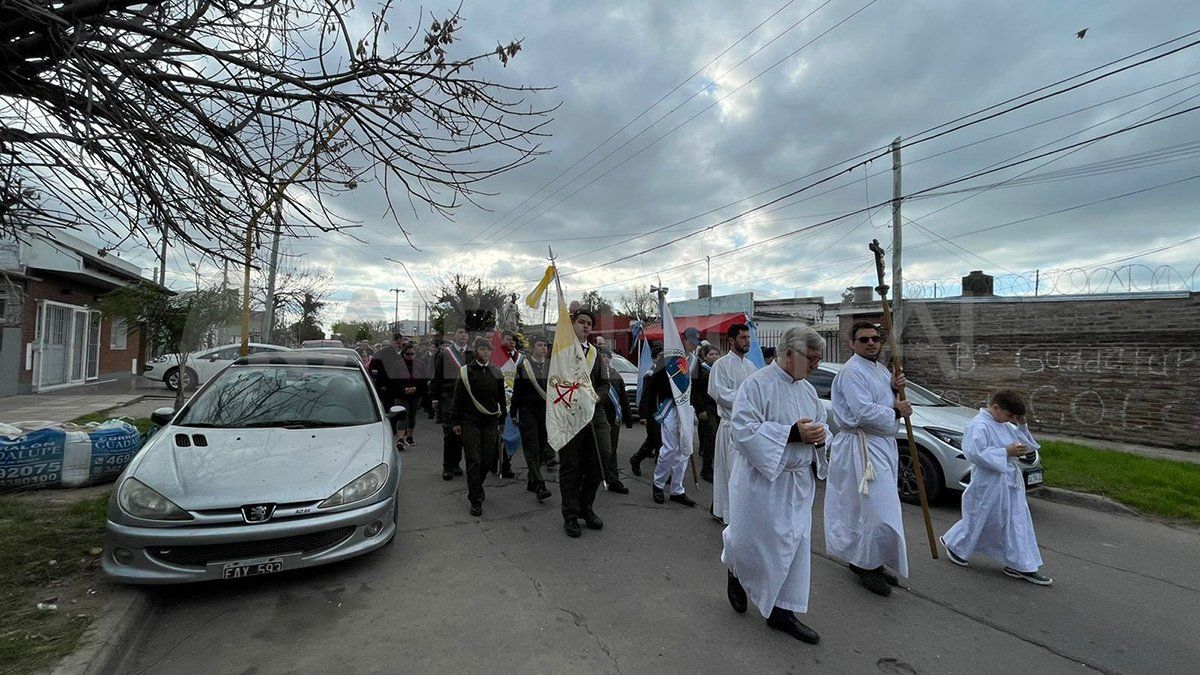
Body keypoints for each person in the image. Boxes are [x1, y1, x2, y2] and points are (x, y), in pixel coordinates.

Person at [723, 326, 828, 645]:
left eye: (819, 358)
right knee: (754, 542)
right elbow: (742, 432)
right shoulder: (756, 385)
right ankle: (737, 570)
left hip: (797, 483)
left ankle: (782, 611)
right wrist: (791, 434)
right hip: (762, 481)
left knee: (793, 547)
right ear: (789, 354)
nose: (816, 365)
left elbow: (821, 425)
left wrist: (821, 438)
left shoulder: (808, 391)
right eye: (811, 358)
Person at [824, 321, 912, 597]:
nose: (871, 343)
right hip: (861, 447)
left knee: (873, 509)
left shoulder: (881, 369)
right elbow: (862, 412)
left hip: (880, 445)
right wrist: (896, 411)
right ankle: (866, 565)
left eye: (875, 338)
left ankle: (869, 560)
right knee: (873, 509)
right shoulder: (852, 372)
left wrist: (895, 388)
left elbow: (883, 401)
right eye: (864, 339)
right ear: (852, 344)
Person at [941, 390, 1053, 585]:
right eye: (1009, 415)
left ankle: (1021, 564)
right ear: (996, 407)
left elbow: (1024, 445)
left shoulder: (1004, 424)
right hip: (989, 482)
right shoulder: (979, 425)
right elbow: (974, 453)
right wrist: (1005, 452)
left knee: (1017, 521)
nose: (1009, 420)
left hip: (1010, 482)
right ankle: (955, 544)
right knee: (984, 518)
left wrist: (1021, 425)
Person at [559, 308, 609, 538]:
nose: (586, 326)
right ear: (573, 324)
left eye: (589, 323)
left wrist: (597, 397)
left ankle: (585, 506)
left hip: (594, 412)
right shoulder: (562, 351)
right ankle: (570, 514)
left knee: (602, 457)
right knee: (571, 465)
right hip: (570, 414)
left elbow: (605, 383)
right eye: (581, 322)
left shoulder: (595, 354)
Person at [641, 330, 700, 507]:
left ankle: (677, 489)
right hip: (669, 407)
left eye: (696, 342)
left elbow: (696, 387)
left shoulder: (694, 361)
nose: (694, 345)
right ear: (682, 339)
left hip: (686, 409)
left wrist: (698, 408)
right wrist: (646, 411)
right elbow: (652, 385)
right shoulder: (667, 359)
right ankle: (658, 484)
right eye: (691, 341)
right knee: (669, 449)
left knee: (684, 450)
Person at [451, 336, 507, 517]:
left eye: (488, 349)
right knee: (474, 459)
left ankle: (477, 485)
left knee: (488, 460)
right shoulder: (466, 371)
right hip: (470, 421)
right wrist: (455, 421)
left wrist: (503, 420)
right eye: (483, 349)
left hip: (490, 420)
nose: (486, 352)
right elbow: (458, 397)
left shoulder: (496, 371)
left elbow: (501, 398)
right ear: (476, 352)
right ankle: (475, 498)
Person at [709, 323, 757, 524]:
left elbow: (758, 393)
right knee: (728, 471)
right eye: (743, 338)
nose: (747, 341)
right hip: (730, 426)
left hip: (749, 428)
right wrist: (746, 398)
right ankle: (726, 513)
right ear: (731, 341)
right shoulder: (721, 365)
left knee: (744, 474)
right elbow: (719, 393)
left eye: (748, 337)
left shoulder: (751, 366)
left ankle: (742, 513)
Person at [511, 334, 553, 502]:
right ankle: (540, 485)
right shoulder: (524, 367)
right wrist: (513, 413)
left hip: (545, 412)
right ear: (532, 348)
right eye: (540, 345)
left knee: (542, 448)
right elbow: (517, 391)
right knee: (532, 448)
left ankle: (531, 479)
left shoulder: (551, 366)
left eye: (545, 346)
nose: (544, 348)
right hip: (527, 411)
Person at [367, 335, 425, 447]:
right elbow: (394, 379)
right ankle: (400, 439)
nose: (410, 356)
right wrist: (403, 389)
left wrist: (416, 388)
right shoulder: (396, 363)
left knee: (412, 415)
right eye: (408, 354)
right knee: (401, 414)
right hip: (400, 393)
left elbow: (423, 379)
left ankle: (409, 436)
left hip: (415, 394)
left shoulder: (420, 364)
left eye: (413, 354)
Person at [431, 327, 470, 481]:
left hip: (467, 398)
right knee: (449, 431)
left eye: (465, 333)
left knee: (461, 432)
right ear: (454, 335)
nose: (463, 335)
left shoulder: (471, 354)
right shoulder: (445, 354)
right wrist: (434, 397)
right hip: (448, 396)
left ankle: (456, 464)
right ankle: (447, 466)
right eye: (460, 332)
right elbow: (437, 376)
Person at [598, 349, 632, 494]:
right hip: (599, 418)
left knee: (612, 450)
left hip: (613, 419)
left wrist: (628, 417)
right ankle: (595, 476)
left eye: (607, 357)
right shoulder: (595, 374)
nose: (605, 359)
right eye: (603, 357)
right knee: (600, 450)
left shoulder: (616, 375)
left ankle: (613, 480)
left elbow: (623, 398)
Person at [629, 343, 663, 477]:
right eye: (660, 356)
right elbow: (645, 396)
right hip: (652, 412)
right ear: (654, 358)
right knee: (656, 440)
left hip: (664, 410)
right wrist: (643, 415)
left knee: (658, 441)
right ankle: (637, 459)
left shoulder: (666, 373)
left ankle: (662, 470)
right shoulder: (650, 374)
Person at [495, 330, 522, 479]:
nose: (511, 342)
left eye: (514, 340)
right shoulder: (495, 356)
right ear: (501, 340)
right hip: (499, 400)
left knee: (512, 434)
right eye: (508, 339)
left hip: (514, 400)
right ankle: (499, 461)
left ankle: (507, 462)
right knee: (498, 433)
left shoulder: (521, 358)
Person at [693, 344, 720, 483]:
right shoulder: (701, 370)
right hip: (706, 408)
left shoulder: (720, 369)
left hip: (719, 408)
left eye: (717, 354)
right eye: (711, 354)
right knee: (711, 436)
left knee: (719, 438)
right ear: (705, 356)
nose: (714, 357)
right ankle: (706, 469)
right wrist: (700, 409)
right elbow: (696, 391)